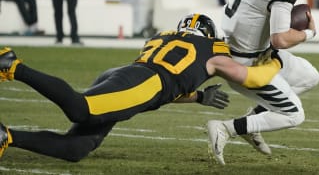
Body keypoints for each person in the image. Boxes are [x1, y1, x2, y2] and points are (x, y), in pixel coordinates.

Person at [0, 13, 283, 162]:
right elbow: (251, 78)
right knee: (79, 109)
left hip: (130, 76)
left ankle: (6, 136)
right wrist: (276, 63)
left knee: (78, 147)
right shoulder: (213, 49)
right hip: (145, 82)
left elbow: (167, 89)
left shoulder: (166, 36)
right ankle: (13, 66)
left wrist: (197, 97)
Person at [207, 0, 319, 165]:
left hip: (243, 51)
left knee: (309, 76)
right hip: (246, 63)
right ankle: (227, 128)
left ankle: (253, 121)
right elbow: (279, 39)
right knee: (295, 115)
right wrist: (309, 33)